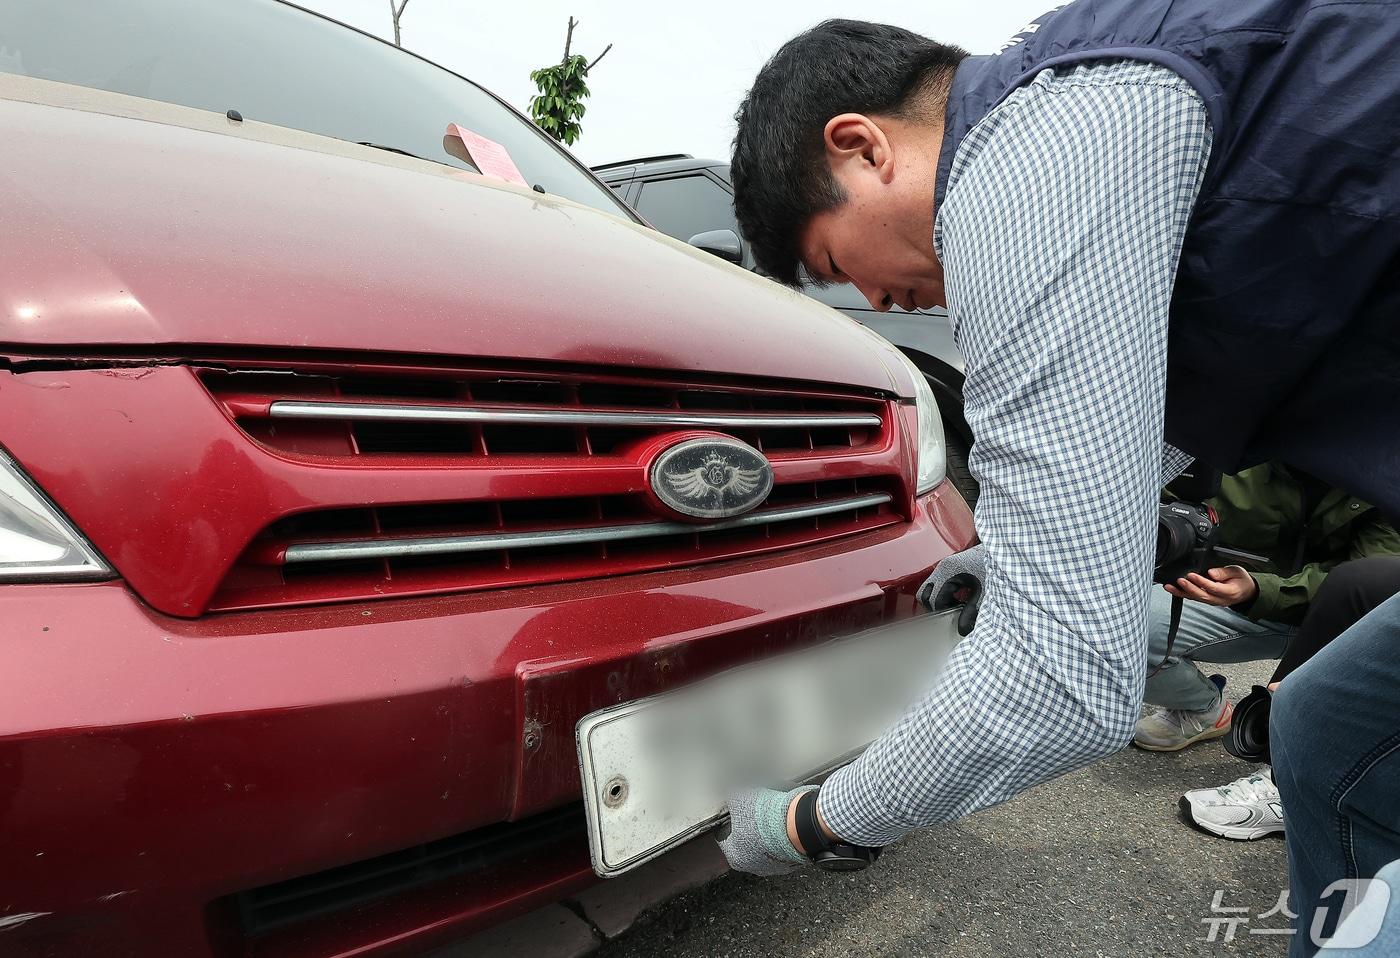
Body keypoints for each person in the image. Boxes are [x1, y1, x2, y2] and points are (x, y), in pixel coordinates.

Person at [715, 2, 1400, 952]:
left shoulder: (1022, 155)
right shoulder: (1117, 89)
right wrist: (1025, 549)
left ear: (862, 147)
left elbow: (1062, 679)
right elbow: (1144, 418)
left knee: (1377, 935)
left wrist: (812, 824)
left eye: (837, 264)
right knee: (1329, 728)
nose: (872, 301)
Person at [1135, 465, 1400, 752]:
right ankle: (1204, 707)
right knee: (1126, 630)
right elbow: (1157, 501)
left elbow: (1372, 585)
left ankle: (1287, 759)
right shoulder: (1237, 447)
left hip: (1336, 620)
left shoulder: (1386, 476)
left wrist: (1259, 588)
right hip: (1232, 596)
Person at [1178, 557, 1400, 841]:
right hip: (1265, 590)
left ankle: (1294, 789)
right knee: (1359, 582)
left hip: (1280, 598)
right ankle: (1284, 766)